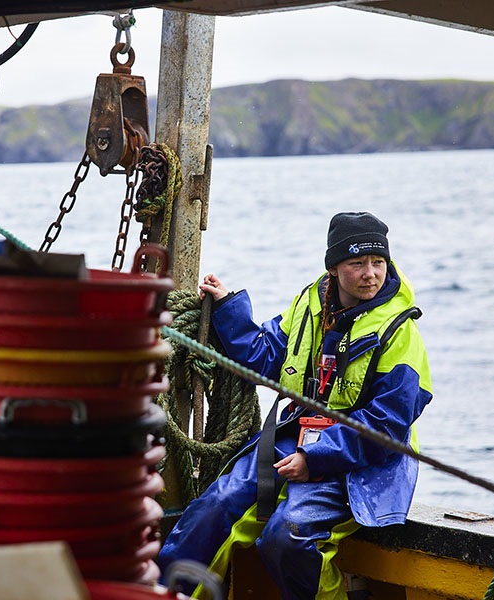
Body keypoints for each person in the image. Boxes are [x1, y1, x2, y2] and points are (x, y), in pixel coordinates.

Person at [156, 212, 433, 600]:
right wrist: (227, 307)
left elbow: (387, 428)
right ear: (334, 268)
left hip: (364, 461)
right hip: (298, 438)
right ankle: (164, 594)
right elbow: (265, 355)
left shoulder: (400, 331)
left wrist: (315, 458)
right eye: (357, 263)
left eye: (378, 263)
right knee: (217, 504)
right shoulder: (310, 304)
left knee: (288, 534)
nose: (371, 274)